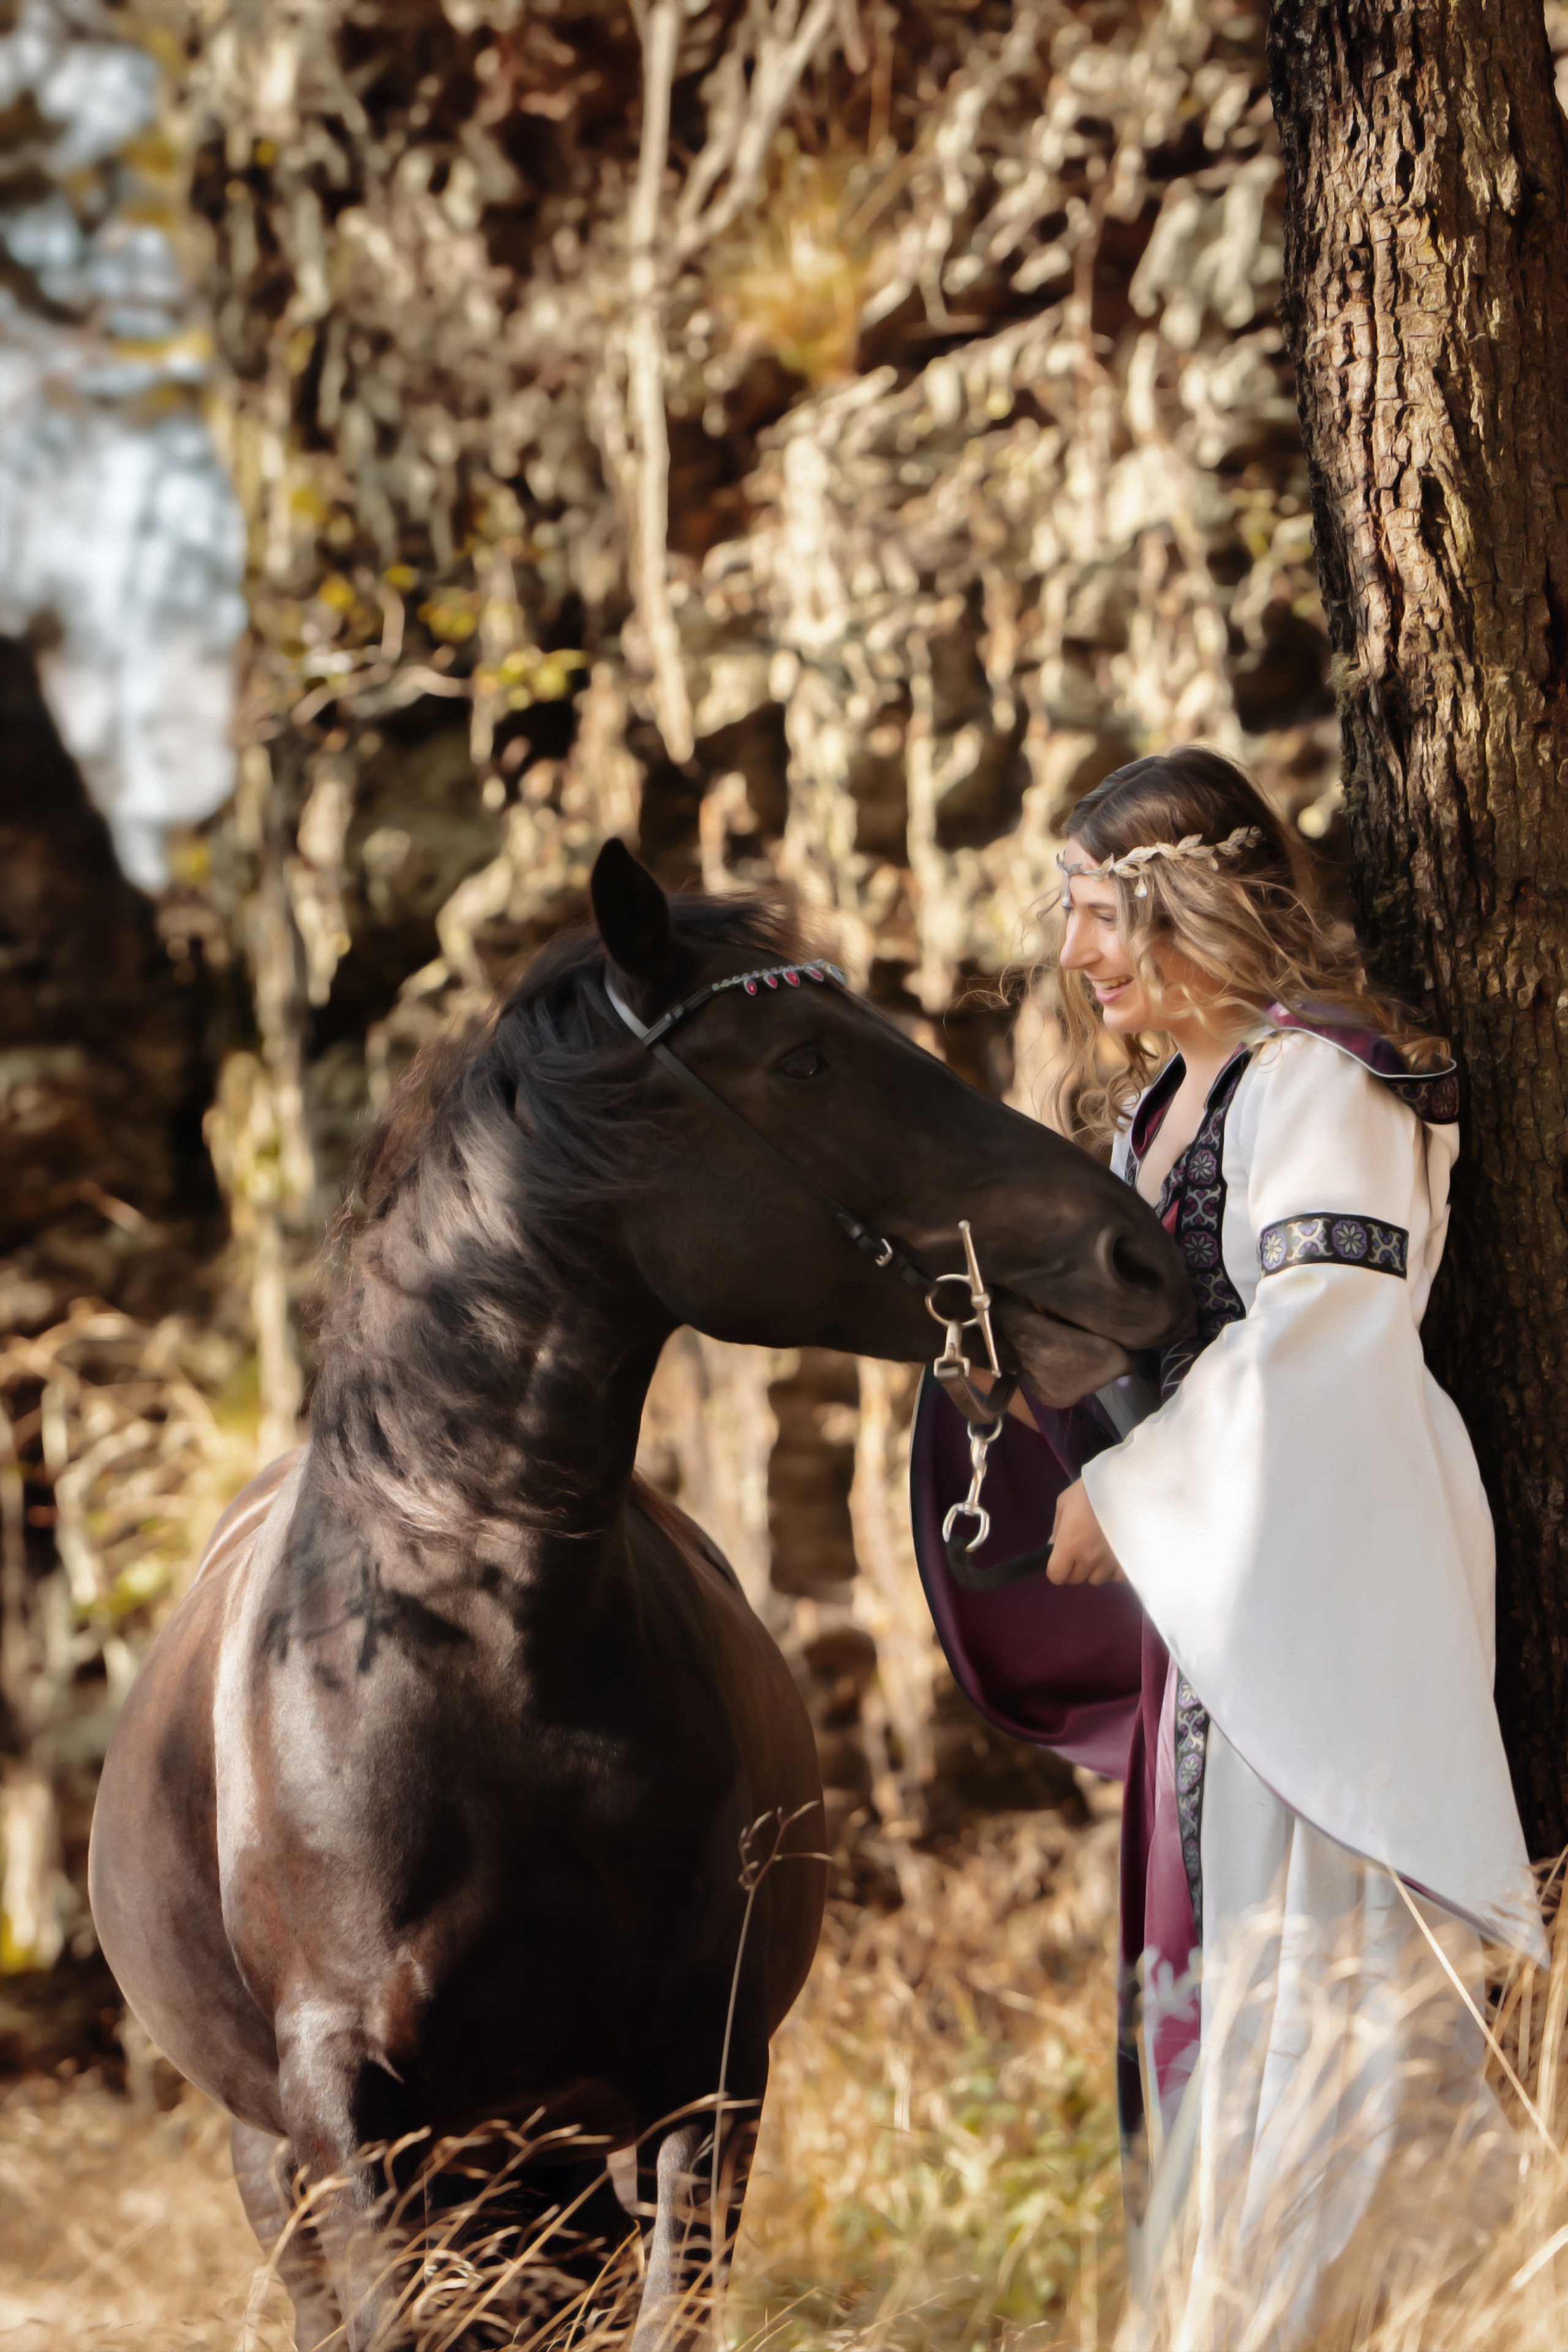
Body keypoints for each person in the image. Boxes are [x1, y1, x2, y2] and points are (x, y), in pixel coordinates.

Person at [908, 747, 1545, 2343]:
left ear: (1186, 900)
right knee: (1221, 1980)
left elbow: (1333, 1324)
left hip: (1338, 1594)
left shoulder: (1323, 1081)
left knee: (1325, 1969)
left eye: (1095, 912)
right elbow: (1141, 1347)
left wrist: (1124, 1495)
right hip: (1226, 1617)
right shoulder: (1152, 1118)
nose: (1076, 955)